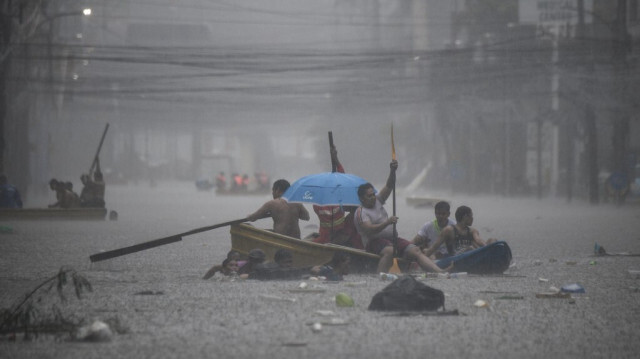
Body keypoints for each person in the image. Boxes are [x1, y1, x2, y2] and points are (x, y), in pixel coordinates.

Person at [354, 159, 449, 274]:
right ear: (362, 199)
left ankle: (440, 272)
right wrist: (387, 223)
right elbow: (368, 229)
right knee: (390, 250)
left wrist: (393, 170)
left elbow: (389, 185)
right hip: (373, 242)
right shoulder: (361, 212)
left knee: (415, 250)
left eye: (373, 194)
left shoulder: (378, 199)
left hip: (392, 239)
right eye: (369, 196)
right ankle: (380, 277)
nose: (373, 197)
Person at [311, 145, 363, 249]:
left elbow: (341, 177)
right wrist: (335, 159)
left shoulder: (319, 202)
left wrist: (335, 159)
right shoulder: (336, 202)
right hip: (327, 239)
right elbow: (341, 177)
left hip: (334, 239)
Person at [424, 205, 497, 258]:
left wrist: (488, 247)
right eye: (471, 216)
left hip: (472, 254)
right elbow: (433, 247)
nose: (472, 218)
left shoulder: (472, 231)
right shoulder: (449, 230)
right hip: (456, 258)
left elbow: (479, 240)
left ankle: (492, 257)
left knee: (492, 240)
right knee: (470, 248)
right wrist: (422, 259)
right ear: (465, 217)